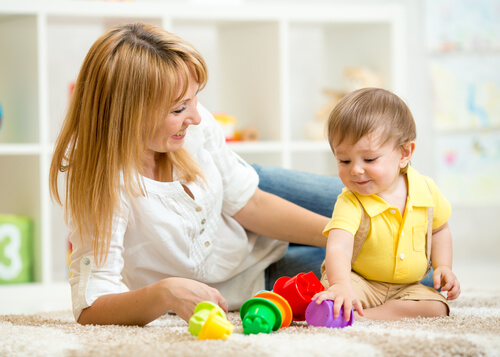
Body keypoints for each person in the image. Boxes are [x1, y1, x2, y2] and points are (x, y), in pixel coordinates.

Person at [49, 22, 344, 326]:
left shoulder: (196, 129)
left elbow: (248, 204)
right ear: (127, 116)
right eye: (178, 109)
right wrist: (165, 293)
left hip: (251, 196)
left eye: (194, 99)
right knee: (374, 272)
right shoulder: (104, 186)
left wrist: (341, 235)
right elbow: (90, 307)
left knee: (373, 201)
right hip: (254, 276)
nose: (197, 117)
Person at [313, 87, 461, 321]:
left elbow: (440, 228)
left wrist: (444, 266)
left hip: (408, 287)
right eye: (344, 160)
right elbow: (338, 246)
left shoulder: (426, 190)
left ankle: (368, 316)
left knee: (437, 307)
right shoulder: (351, 201)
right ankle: (351, 308)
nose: (356, 169)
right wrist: (341, 285)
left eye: (369, 159)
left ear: (405, 153)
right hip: (360, 280)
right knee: (334, 299)